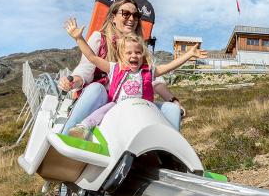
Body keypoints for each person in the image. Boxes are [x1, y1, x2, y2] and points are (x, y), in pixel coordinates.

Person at [63, 17, 206, 138]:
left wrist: (189, 54)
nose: (134, 56)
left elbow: (170, 66)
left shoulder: (148, 71)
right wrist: (78, 38)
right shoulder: (114, 68)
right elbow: (92, 57)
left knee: (172, 110)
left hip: (143, 107)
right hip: (118, 106)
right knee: (103, 110)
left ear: (143, 55)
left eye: (138, 52)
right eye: (129, 53)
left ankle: (171, 144)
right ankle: (83, 128)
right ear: (120, 56)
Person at [58, 0, 185, 133]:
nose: (132, 19)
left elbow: (155, 80)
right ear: (113, 17)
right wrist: (73, 81)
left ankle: (168, 150)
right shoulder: (99, 38)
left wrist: (173, 101)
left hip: (132, 104)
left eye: (136, 15)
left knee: (172, 110)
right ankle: (68, 133)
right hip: (104, 100)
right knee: (97, 88)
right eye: (126, 13)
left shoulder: (139, 48)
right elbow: (86, 67)